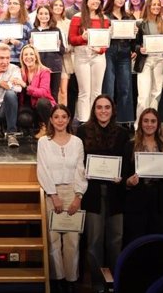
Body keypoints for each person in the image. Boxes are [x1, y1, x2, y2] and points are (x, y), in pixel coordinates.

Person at [77, 95, 130, 291]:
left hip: (116, 192)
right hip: (92, 193)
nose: (103, 111)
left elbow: (126, 162)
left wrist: (122, 177)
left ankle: (114, 282)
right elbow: (80, 162)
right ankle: (98, 283)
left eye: (107, 107)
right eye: (99, 107)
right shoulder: (82, 131)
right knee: (94, 242)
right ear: (94, 110)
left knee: (116, 240)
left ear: (112, 110)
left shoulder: (123, 133)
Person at [37, 104, 87, 293]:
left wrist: (78, 196)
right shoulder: (44, 142)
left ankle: (71, 281)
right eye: (56, 117)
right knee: (53, 240)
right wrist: (53, 195)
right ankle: (56, 280)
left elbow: (80, 170)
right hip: (52, 194)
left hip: (73, 193)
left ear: (69, 119)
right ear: (51, 120)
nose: (60, 120)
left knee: (73, 242)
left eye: (63, 117)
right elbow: (42, 170)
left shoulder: (77, 142)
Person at [123, 108, 163, 244]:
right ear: (140, 123)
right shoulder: (131, 145)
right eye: (146, 121)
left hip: (160, 202)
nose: (149, 124)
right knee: (137, 242)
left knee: (158, 242)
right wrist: (128, 182)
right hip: (137, 201)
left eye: (153, 121)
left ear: (158, 124)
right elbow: (123, 175)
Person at [69, 0, 110, 124]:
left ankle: (96, 120)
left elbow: (106, 41)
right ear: (86, 1)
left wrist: (101, 49)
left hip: (98, 56)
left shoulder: (105, 19)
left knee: (97, 91)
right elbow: (72, 39)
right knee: (84, 91)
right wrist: (82, 38)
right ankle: (84, 121)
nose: (96, 1)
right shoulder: (77, 17)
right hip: (82, 55)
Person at [134, 0, 163, 126]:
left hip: (160, 60)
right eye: (153, 5)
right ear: (148, 7)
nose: (156, 7)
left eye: (158, 5)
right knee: (144, 95)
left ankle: (152, 124)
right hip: (145, 60)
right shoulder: (140, 23)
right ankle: (139, 125)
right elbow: (135, 44)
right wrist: (140, 49)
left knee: (156, 93)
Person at [101, 0, 136, 125]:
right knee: (108, 87)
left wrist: (135, 35)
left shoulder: (129, 17)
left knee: (126, 87)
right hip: (109, 51)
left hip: (125, 52)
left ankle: (124, 120)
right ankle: (106, 120)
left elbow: (134, 40)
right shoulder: (105, 15)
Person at [17, 44, 57, 138]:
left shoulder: (44, 71)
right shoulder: (20, 72)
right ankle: (35, 125)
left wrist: (26, 86)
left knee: (41, 102)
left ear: (36, 57)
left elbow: (44, 92)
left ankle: (48, 128)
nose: (28, 57)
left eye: (31, 54)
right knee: (23, 119)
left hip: (43, 105)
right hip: (29, 106)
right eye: (25, 55)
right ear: (22, 58)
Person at [0, 0, 33, 65]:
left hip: (20, 62)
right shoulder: (1, 21)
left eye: (15, 3)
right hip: (1, 61)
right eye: (10, 3)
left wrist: (18, 43)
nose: (12, 5)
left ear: (21, 6)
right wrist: (1, 43)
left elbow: (31, 44)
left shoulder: (26, 23)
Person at [52, 0, 74, 107]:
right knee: (53, 92)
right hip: (50, 60)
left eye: (60, 5)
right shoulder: (47, 22)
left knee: (63, 91)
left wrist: (67, 48)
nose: (58, 7)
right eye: (55, 5)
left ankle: (63, 117)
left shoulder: (68, 23)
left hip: (65, 60)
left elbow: (72, 42)